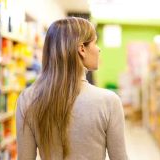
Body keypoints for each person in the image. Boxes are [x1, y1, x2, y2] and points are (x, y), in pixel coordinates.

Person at [16, 17, 128, 160]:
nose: (98, 49)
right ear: (82, 49)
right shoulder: (109, 101)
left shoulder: (27, 99)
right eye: (95, 43)